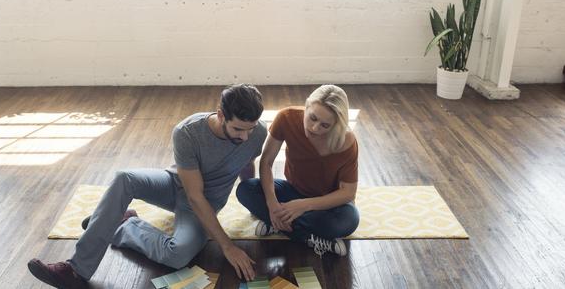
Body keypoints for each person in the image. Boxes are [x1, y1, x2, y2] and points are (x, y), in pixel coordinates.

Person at [28, 84, 267, 288]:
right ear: (221, 115)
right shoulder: (188, 132)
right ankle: (75, 270)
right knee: (125, 178)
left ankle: (123, 225)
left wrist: (253, 197)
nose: (245, 137)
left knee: (178, 255)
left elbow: (248, 164)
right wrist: (227, 246)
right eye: (238, 129)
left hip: (207, 201)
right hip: (177, 186)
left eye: (251, 129)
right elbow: (193, 195)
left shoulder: (257, 133)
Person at [236, 84, 360, 257]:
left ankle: (277, 226)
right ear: (307, 106)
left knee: (349, 219)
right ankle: (310, 237)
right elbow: (266, 163)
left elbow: (348, 193)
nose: (314, 128)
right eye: (312, 118)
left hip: (326, 204)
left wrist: (303, 206)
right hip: (293, 191)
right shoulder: (286, 117)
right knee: (245, 189)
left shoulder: (347, 142)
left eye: (325, 125)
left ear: (337, 125)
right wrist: (272, 205)